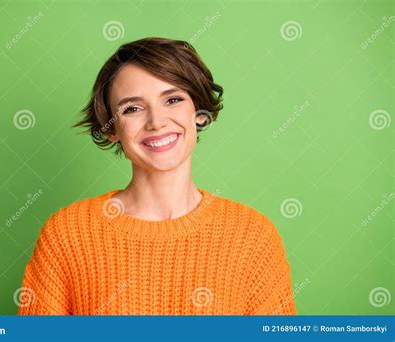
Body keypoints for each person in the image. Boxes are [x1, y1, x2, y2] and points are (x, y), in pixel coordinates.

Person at [17, 37, 296, 315]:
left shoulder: (253, 236)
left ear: (198, 113)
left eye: (173, 100)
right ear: (111, 128)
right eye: (132, 109)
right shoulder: (66, 234)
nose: (156, 121)